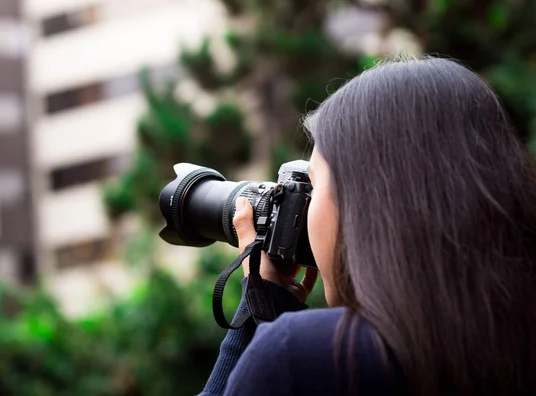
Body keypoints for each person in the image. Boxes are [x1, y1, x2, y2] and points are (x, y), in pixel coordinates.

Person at [198, 56, 536, 396]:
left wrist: (257, 305)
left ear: (366, 206)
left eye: (314, 186)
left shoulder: (302, 359)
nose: (305, 208)